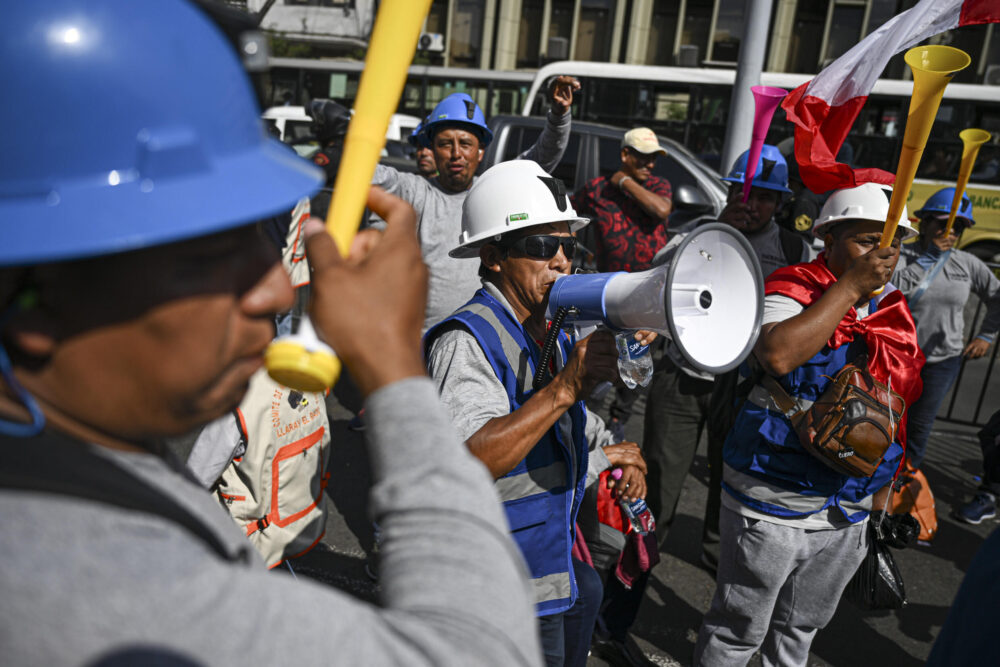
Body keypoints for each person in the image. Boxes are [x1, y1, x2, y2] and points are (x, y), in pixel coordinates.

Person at [0, 3, 544, 666]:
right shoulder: (114, 593)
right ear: (29, 300)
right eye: (204, 256)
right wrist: (397, 373)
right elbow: (481, 650)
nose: (278, 289)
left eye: (257, 240)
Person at [425, 160, 650, 667]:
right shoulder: (466, 341)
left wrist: (612, 451)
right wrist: (569, 385)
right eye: (542, 246)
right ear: (494, 256)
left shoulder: (548, 328)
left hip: (544, 565)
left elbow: (564, 424)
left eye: (568, 246)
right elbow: (474, 458)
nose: (562, 261)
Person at [694, 183, 924, 666]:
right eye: (867, 242)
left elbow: (896, 407)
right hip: (773, 495)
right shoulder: (789, 285)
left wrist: (887, 490)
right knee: (739, 629)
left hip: (849, 508)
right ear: (829, 238)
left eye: (894, 245)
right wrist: (850, 288)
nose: (883, 257)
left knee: (799, 632)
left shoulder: (893, 309)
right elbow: (777, 355)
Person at [642, 145, 812, 569]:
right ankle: (639, 564)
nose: (751, 205)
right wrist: (713, 236)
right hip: (681, 378)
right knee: (660, 478)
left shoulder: (794, 251)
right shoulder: (701, 230)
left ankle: (718, 561)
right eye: (743, 193)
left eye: (764, 197)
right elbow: (655, 275)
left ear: (779, 203)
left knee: (731, 483)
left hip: (745, 388)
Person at [371, 77, 580, 331]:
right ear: (432, 150)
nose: (456, 153)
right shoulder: (416, 191)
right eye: (445, 144)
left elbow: (541, 158)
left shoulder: (491, 194)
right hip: (420, 341)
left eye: (466, 143)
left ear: (480, 151)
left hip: (482, 334)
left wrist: (558, 116)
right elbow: (370, 175)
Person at [571, 127, 673, 441]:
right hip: (608, 291)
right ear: (625, 155)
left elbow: (661, 210)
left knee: (637, 360)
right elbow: (570, 214)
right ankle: (586, 422)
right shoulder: (596, 189)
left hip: (647, 294)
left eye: (654, 158)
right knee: (601, 358)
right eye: (643, 157)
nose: (650, 164)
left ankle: (619, 419)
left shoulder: (658, 186)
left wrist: (625, 182)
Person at [892, 188, 1000, 479]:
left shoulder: (968, 264)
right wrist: (928, 259)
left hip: (942, 361)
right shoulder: (902, 254)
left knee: (919, 426)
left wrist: (986, 336)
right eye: (941, 223)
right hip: (897, 356)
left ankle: (905, 481)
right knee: (887, 417)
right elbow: (893, 289)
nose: (948, 232)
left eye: (957, 227)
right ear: (924, 223)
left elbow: (997, 298)